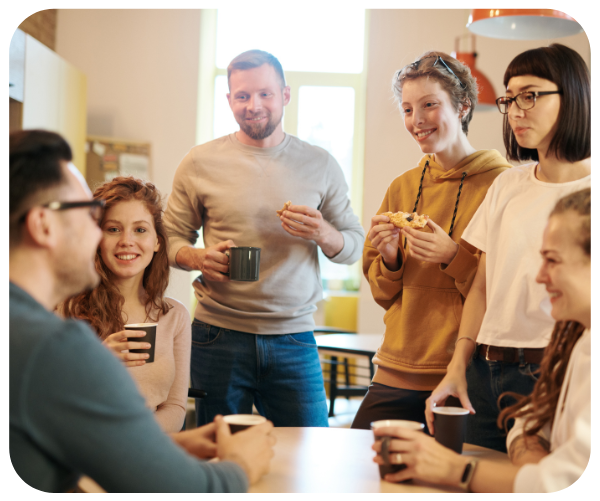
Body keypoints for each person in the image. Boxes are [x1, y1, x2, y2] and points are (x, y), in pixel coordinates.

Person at [9, 129, 275, 493]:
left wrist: (169, 444)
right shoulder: (52, 346)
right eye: (89, 215)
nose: (104, 236)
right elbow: (184, 489)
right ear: (43, 225)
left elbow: (66, 452)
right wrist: (243, 463)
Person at [163, 49, 365, 427]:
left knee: (310, 453)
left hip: (294, 338)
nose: (253, 105)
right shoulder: (199, 162)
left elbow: (354, 244)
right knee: (221, 455)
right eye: (242, 96)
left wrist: (323, 233)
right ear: (229, 100)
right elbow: (171, 237)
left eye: (265, 94)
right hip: (215, 335)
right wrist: (196, 258)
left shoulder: (320, 163)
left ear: (285, 95)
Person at [425, 43, 591, 452]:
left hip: (555, 372)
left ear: (572, 96)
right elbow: (482, 286)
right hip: (485, 371)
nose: (516, 110)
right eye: (509, 99)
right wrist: (457, 367)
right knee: (474, 480)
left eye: (530, 95)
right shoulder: (508, 184)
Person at [371, 187, 590, 493]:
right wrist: (525, 442)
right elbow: (536, 419)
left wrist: (455, 469)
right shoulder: (581, 345)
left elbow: (566, 481)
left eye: (552, 260)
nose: (539, 277)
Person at [350, 51, 511, 430]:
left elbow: (504, 290)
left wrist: (453, 256)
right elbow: (382, 292)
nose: (416, 120)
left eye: (429, 105)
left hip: (464, 371)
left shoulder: (501, 185)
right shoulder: (402, 186)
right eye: (407, 109)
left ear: (463, 107)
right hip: (395, 366)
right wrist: (390, 260)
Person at [61, 177, 191, 433]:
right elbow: (49, 401)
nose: (126, 241)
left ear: (157, 242)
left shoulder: (175, 317)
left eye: (140, 230)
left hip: (150, 451)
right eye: (113, 229)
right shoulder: (66, 309)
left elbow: (176, 406)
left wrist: (137, 442)